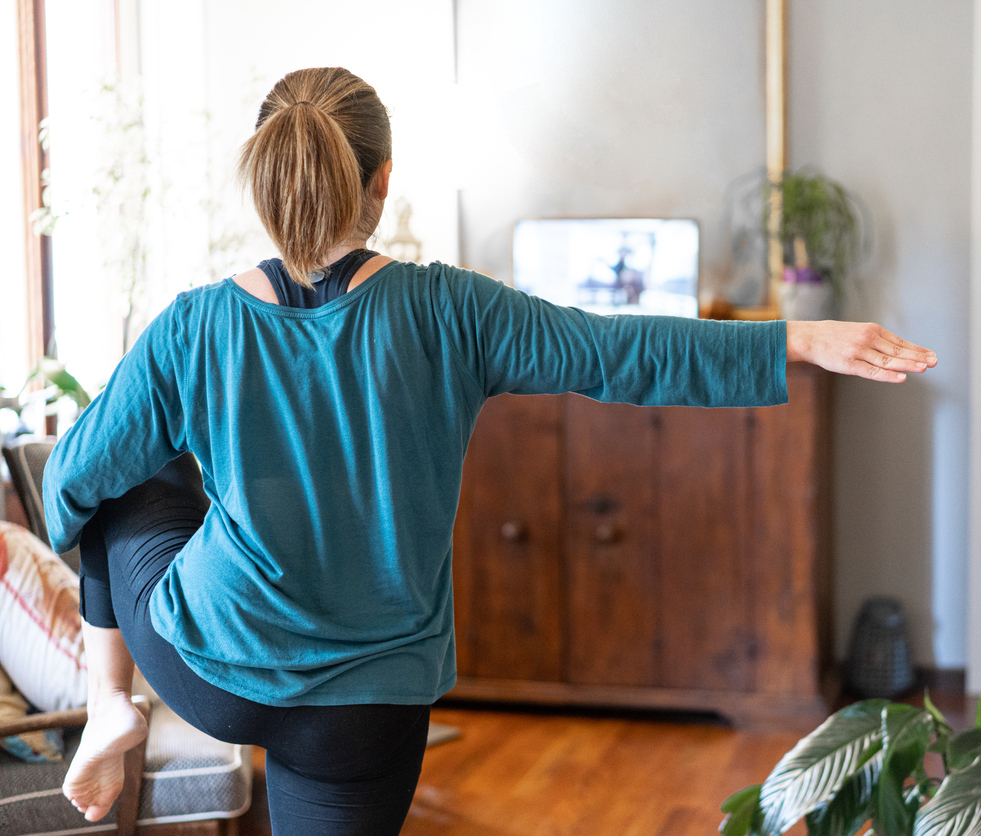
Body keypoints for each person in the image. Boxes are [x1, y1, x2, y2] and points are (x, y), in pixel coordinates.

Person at [42, 67, 936, 836]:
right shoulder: (452, 311)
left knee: (122, 470)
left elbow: (69, 490)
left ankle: (111, 702)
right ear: (382, 180)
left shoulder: (194, 328)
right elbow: (623, 354)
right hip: (371, 707)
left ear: (269, 179)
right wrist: (806, 340)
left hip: (215, 669)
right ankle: (117, 706)